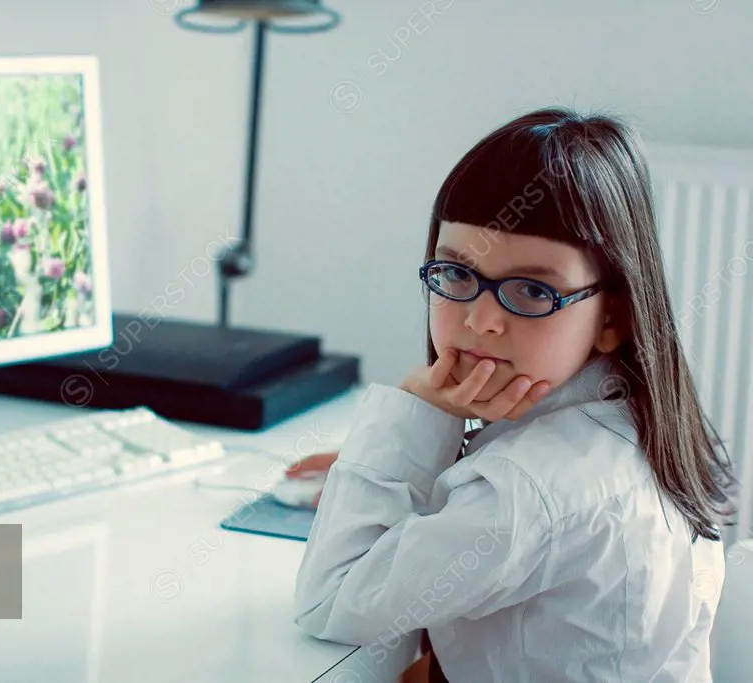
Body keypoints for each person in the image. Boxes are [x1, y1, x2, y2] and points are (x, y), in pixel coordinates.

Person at [290, 107, 739, 682]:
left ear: (614, 316)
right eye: (455, 275)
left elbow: (329, 600)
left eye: (531, 290)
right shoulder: (626, 423)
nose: (481, 320)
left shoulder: (527, 490)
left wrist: (415, 403)